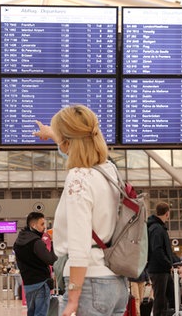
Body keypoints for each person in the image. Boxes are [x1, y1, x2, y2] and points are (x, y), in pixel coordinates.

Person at [34, 105, 129, 316]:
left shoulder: (78, 178)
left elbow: (79, 244)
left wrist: (73, 299)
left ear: (67, 143)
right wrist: (54, 134)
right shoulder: (108, 171)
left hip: (89, 285)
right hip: (116, 282)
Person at [14, 211, 58, 316]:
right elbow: (52, 260)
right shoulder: (36, 242)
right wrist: (53, 242)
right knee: (41, 314)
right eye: (42, 224)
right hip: (41, 285)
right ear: (33, 225)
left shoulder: (17, 243)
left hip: (28, 285)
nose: (45, 227)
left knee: (32, 313)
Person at [147, 202, 176, 316]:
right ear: (167, 213)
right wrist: (168, 264)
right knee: (160, 300)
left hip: (161, 269)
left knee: (168, 297)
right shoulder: (157, 228)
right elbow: (157, 250)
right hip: (159, 270)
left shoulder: (158, 227)